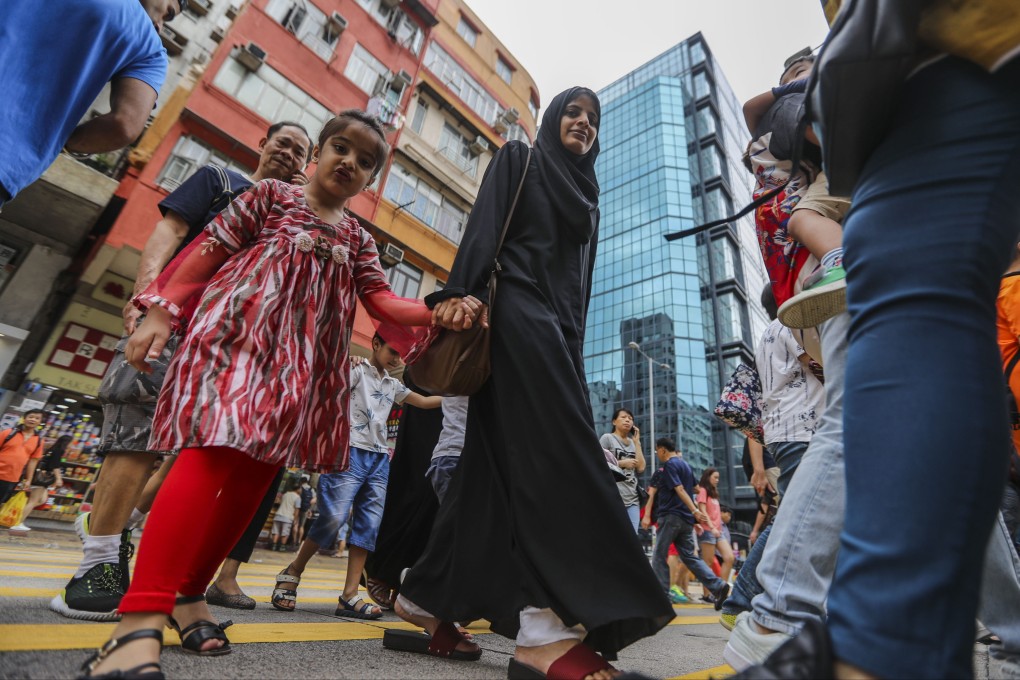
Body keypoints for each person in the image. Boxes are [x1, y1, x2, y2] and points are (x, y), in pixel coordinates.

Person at [75, 110, 465, 678]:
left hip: (302, 372)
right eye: (340, 147)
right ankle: (137, 623)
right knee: (210, 458)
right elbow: (208, 249)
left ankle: (189, 594)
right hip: (235, 345)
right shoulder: (271, 198)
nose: (349, 162)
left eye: (365, 162)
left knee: (253, 481)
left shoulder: (358, 238)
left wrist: (441, 307)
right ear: (319, 151)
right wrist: (160, 310)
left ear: (370, 180)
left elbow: (384, 304)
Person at [734, 3, 1020, 677]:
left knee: (917, 309)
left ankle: (869, 642)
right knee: (915, 309)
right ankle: (882, 641)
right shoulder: (815, 160)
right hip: (929, 51)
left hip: (969, 39)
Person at [391, 88, 674, 679]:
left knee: (489, 472)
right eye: (574, 113)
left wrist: (572, 353)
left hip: (556, 333)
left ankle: (425, 598)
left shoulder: (587, 198)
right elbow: (484, 225)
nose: (584, 124)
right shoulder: (522, 159)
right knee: (558, 455)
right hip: (512, 312)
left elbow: (580, 288)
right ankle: (544, 630)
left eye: (593, 120)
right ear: (553, 120)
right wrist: (460, 293)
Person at [53, 120, 312, 621]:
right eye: (282, 143)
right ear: (261, 143)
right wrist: (146, 296)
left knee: (197, 451)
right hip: (172, 324)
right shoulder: (220, 180)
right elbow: (169, 228)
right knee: (136, 435)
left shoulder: (288, 216)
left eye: (300, 152)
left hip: (224, 347)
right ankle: (97, 566)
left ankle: (113, 525)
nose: (289, 154)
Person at [272, 329, 441, 619]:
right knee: (333, 518)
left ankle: (350, 595)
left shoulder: (392, 385)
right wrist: (342, 363)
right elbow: (325, 388)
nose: (396, 359)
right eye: (392, 352)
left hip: (378, 460)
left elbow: (424, 402)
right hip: (347, 452)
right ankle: (293, 570)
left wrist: (463, 397)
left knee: (368, 527)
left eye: (400, 355)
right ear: (375, 344)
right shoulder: (354, 371)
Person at [0, 0, 177, 209]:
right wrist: (60, 143)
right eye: (169, 13)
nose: (161, 25)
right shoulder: (150, 50)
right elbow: (125, 126)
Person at [741, 51, 850, 329]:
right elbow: (750, 110)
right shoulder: (783, 109)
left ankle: (840, 261)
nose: (795, 78)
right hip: (795, 251)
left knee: (803, 219)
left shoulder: (793, 103)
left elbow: (833, 138)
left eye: (801, 71)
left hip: (808, 242)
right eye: (788, 77)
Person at [647, 439, 730, 611]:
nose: (658, 454)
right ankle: (718, 586)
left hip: (671, 516)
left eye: (657, 451)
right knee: (690, 557)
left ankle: (662, 597)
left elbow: (679, 489)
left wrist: (694, 510)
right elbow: (697, 489)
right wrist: (691, 511)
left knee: (659, 556)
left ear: (662, 450)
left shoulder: (670, 465)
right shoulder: (685, 465)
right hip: (685, 521)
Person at [599, 409, 646, 532]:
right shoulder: (608, 438)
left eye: (630, 418)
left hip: (632, 498)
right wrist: (621, 463)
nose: (627, 420)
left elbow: (641, 468)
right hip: (612, 496)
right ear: (614, 421)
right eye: (624, 417)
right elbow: (597, 463)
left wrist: (637, 443)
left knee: (633, 536)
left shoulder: (633, 443)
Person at [14, 435, 71, 531]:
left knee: (42, 500)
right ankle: (18, 522)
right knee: (33, 501)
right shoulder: (58, 451)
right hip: (41, 479)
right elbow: (55, 466)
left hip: (42, 479)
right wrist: (58, 479)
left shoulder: (53, 449)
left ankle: (18, 513)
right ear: (67, 443)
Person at [697, 468, 734, 586]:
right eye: (715, 477)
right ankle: (707, 594)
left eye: (718, 478)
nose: (717, 480)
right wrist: (711, 527)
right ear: (708, 477)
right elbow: (702, 511)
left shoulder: (714, 493)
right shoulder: (703, 490)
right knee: (707, 563)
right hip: (708, 531)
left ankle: (721, 588)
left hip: (719, 531)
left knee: (729, 558)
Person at [0, 410, 45, 504]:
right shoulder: (8, 433)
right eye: (31, 417)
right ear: (24, 419)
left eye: (37, 418)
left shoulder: (39, 441)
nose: (33, 420)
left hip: (12, 478)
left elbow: (33, 462)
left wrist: (28, 480)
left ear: (40, 422)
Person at [271, 479, 301, 552]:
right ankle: (282, 547)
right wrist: (295, 519)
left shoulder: (285, 494)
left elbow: (280, 502)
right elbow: (297, 510)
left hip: (278, 515)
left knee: (276, 531)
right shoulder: (297, 497)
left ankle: (274, 546)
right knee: (285, 533)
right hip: (288, 517)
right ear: (298, 489)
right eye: (300, 489)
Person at [296, 474, 316, 545]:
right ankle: (299, 541)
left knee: (296, 524)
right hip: (306, 509)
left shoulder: (300, 488)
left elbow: (296, 498)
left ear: (301, 481)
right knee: (302, 526)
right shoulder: (311, 489)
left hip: (298, 508)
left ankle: (294, 541)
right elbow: (313, 500)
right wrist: (309, 509)